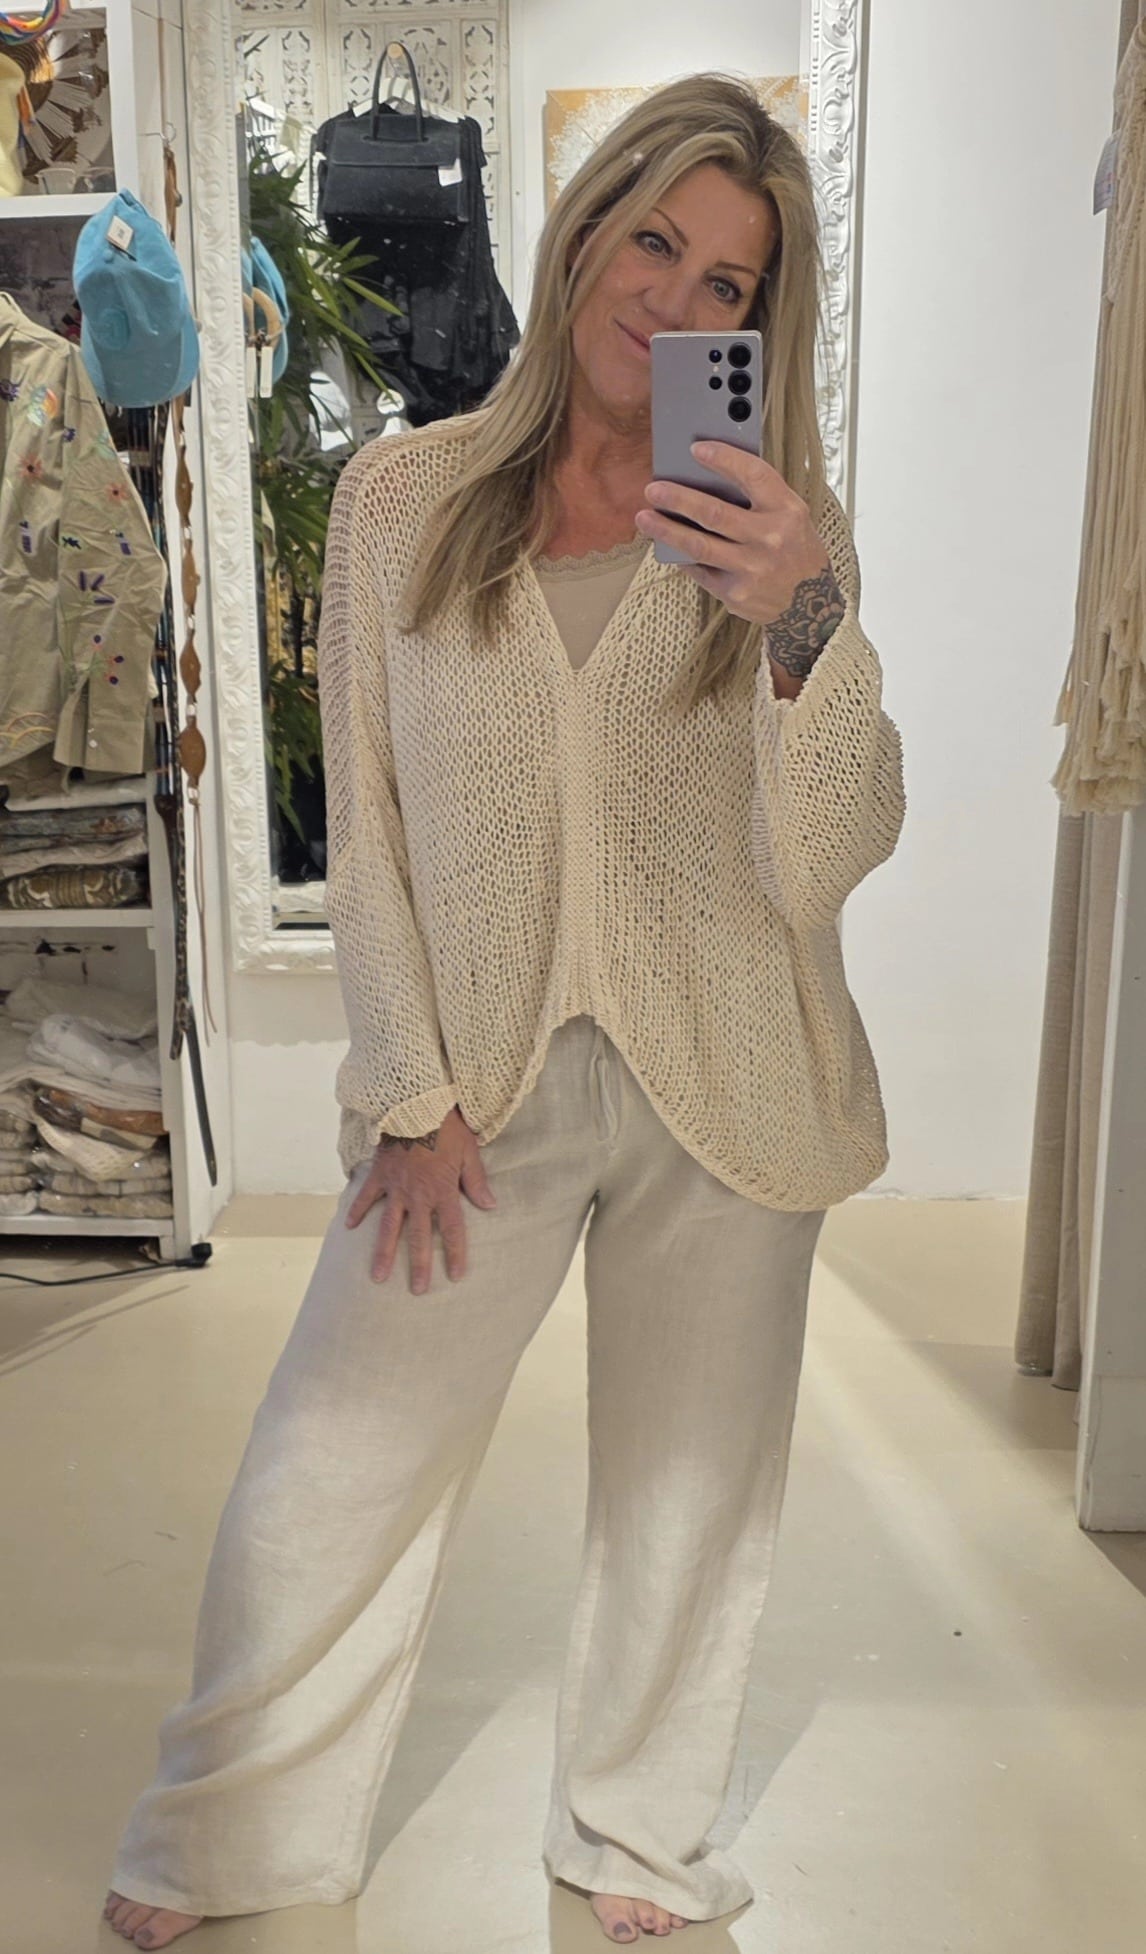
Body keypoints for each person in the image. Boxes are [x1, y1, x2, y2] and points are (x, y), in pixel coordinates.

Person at [103, 71, 904, 1950]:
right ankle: (231, 1831)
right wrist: (404, 1086)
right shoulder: (405, 498)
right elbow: (368, 831)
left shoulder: (778, 529)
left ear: (758, 324)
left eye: (728, 285)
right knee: (325, 1468)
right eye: (654, 241)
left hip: (731, 1073)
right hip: (476, 1084)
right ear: (583, 230)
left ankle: (636, 1833)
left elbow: (830, 853)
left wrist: (801, 616)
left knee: (686, 1493)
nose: (676, 299)